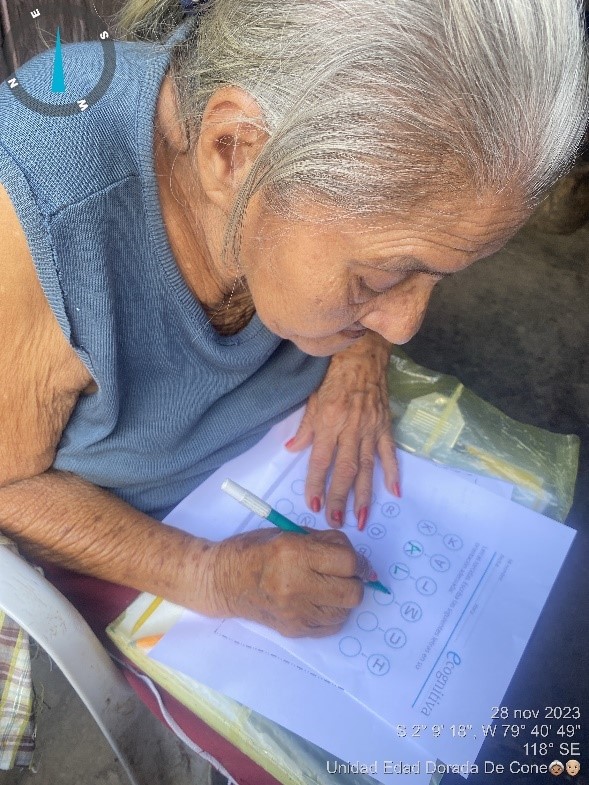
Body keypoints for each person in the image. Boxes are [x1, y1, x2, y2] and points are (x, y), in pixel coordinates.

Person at [0, 0, 587, 644]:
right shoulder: (34, 221)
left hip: (291, 454)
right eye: (380, 279)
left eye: (439, 277)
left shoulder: (287, 114)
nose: (404, 330)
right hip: (129, 540)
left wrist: (357, 358)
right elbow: (8, 486)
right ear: (234, 155)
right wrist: (214, 577)